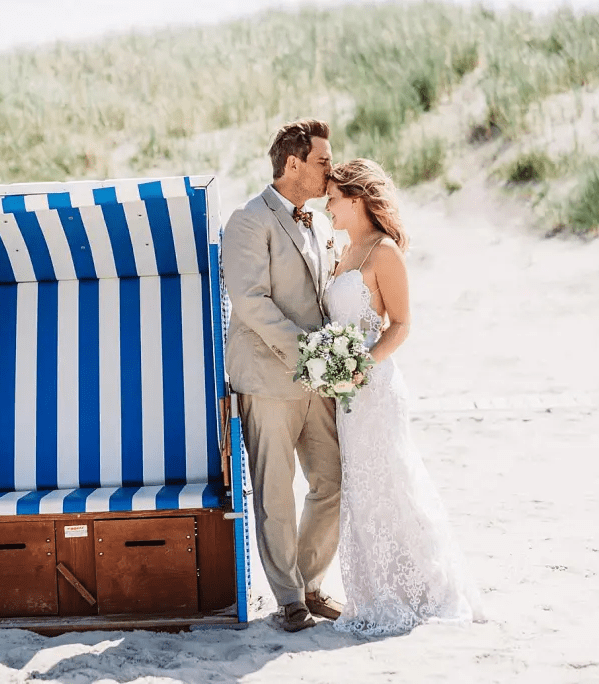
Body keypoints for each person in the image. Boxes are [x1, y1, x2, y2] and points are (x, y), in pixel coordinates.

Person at [323, 158, 485, 636]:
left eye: (333, 198)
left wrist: (360, 367)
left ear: (355, 200)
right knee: (363, 493)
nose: (327, 205)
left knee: (393, 484)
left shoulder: (384, 252)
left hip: (375, 391)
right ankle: (374, 591)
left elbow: (401, 325)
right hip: (346, 400)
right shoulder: (344, 250)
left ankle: (424, 590)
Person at [222, 119, 344, 632]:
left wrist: (332, 358)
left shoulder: (314, 222)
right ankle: (289, 597)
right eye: (322, 161)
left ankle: (310, 582)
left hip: (318, 379)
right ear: (292, 163)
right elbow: (250, 302)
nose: (330, 170)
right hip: (268, 377)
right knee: (275, 489)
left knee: (332, 480)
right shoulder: (248, 220)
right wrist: (309, 351)